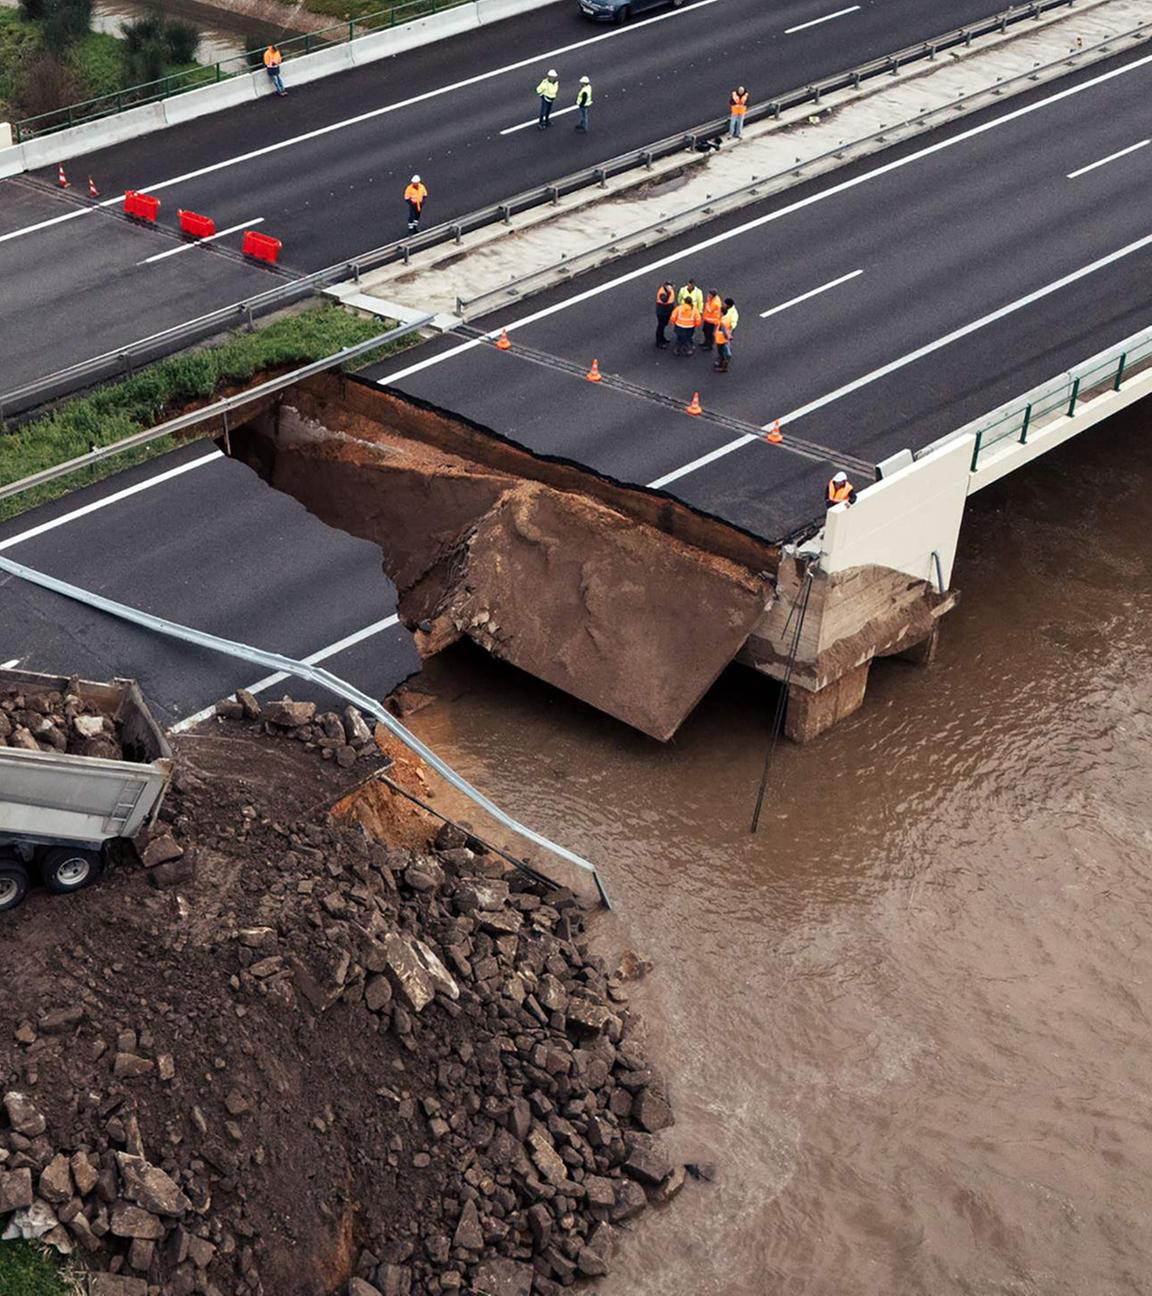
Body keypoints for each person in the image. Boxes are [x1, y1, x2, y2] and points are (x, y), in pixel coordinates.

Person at [655, 281, 676, 348]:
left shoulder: (669, 290)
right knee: (661, 326)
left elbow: (671, 301)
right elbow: (665, 300)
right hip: (662, 312)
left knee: (664, 325)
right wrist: (669, 292)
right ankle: (659, 342)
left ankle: (663, 338)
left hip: (667, 310)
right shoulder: (662, 292)